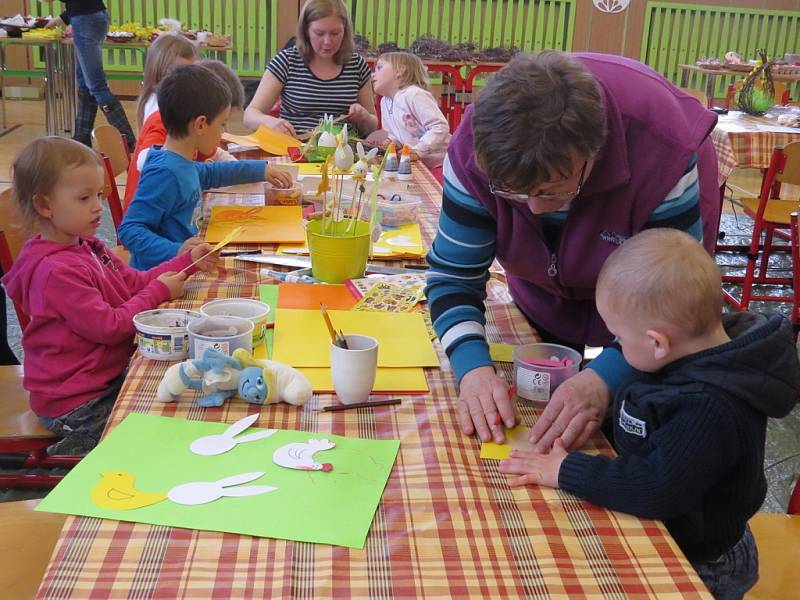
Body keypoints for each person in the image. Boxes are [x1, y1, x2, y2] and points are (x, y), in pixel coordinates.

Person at [425, 51, 722, 446]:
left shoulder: (662, 151)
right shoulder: (474, 150)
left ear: (593, 153)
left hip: (653, 300)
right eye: (513, 191)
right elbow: (455, 275)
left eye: (551, 191)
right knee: (558, 397)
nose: (531, 208)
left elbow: (672, 304)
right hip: (541, 290)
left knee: (639, 415)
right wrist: (473, 368)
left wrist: (605, 378)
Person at [498, 228, 800, 599]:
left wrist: (566, 470)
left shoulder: (707, 406)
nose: (618, 349)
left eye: (620, 339)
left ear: (658, 343)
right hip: (684, 523)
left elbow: (657, 486)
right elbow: (652, 422)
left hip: (702, 560)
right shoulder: (687, 351)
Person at [1, 137, 219, 455]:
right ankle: (77, 448)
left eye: (100, 195)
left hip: (103, 377)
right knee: (144, 442)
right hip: (74, 400)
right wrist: (159, 291)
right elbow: (110, 327)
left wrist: (188, 261)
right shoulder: (55, 271)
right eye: (84, 197)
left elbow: (134, 282)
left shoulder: (89, 246)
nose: (96, 207)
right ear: (44, 205)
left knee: (170, 398)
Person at [119, 64, 292, 270]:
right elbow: (130, 230)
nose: (223, 133)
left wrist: (260, 169)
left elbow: (211, 173)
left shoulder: (180, 162)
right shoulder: (166, 173)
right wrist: (177, 250)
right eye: (222, 124)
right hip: (159, 275)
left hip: (182, 264)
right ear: (200, 124)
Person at [243, 0, 377, 137]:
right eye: (319, 33)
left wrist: (364, 117)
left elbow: (372, 126)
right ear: (306, 31)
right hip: (293, 149)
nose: (327, 42)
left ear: (345, 31)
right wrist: (268, 122)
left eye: (335, 33)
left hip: (342, 152)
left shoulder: (357, 65)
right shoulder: (287, 61)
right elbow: (249, 115)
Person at [46, 1, 136, 151]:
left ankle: (127, 140)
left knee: (97, 86)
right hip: (91, 17)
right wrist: (61, 19)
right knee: (85, 83)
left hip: (85, 21)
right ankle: (81, 138)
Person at [124, 33, 199, 210]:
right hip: (150, 214)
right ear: (160, 74)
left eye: (192, 73)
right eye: (179, 74)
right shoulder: (161, 112)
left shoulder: (165, 101)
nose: (188, 82)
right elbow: (144, 160)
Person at [370, 51, 450, 182]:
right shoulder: (385, 101)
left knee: (437, 196)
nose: (373, 74)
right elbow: (396, 134)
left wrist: (418, 151)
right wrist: (392, 143)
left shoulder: (414, 94)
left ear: (400, 71)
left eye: (379, 67)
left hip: (441, 163)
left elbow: (439, 126)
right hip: (417, 163)